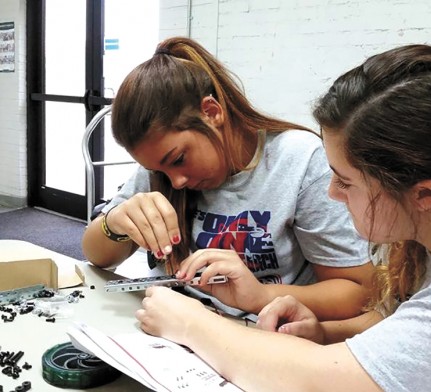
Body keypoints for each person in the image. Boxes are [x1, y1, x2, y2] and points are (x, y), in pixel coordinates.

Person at [135, 44, 431, 391]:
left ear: (424, 194)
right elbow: (404, 322)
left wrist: (193, 324)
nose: (332, 192)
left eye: (345, 181)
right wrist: (324, 334)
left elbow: (328, 382)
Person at [82, 36, 373, 321]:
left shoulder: (299, 161)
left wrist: (260, 296)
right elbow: (97, 255)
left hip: (252, 335)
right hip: (169, 324)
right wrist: (115, 222)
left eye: (179, 160)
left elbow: (358, 291)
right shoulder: (162, 166)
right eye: (160, 171)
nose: (176, 182)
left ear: (211, 112)